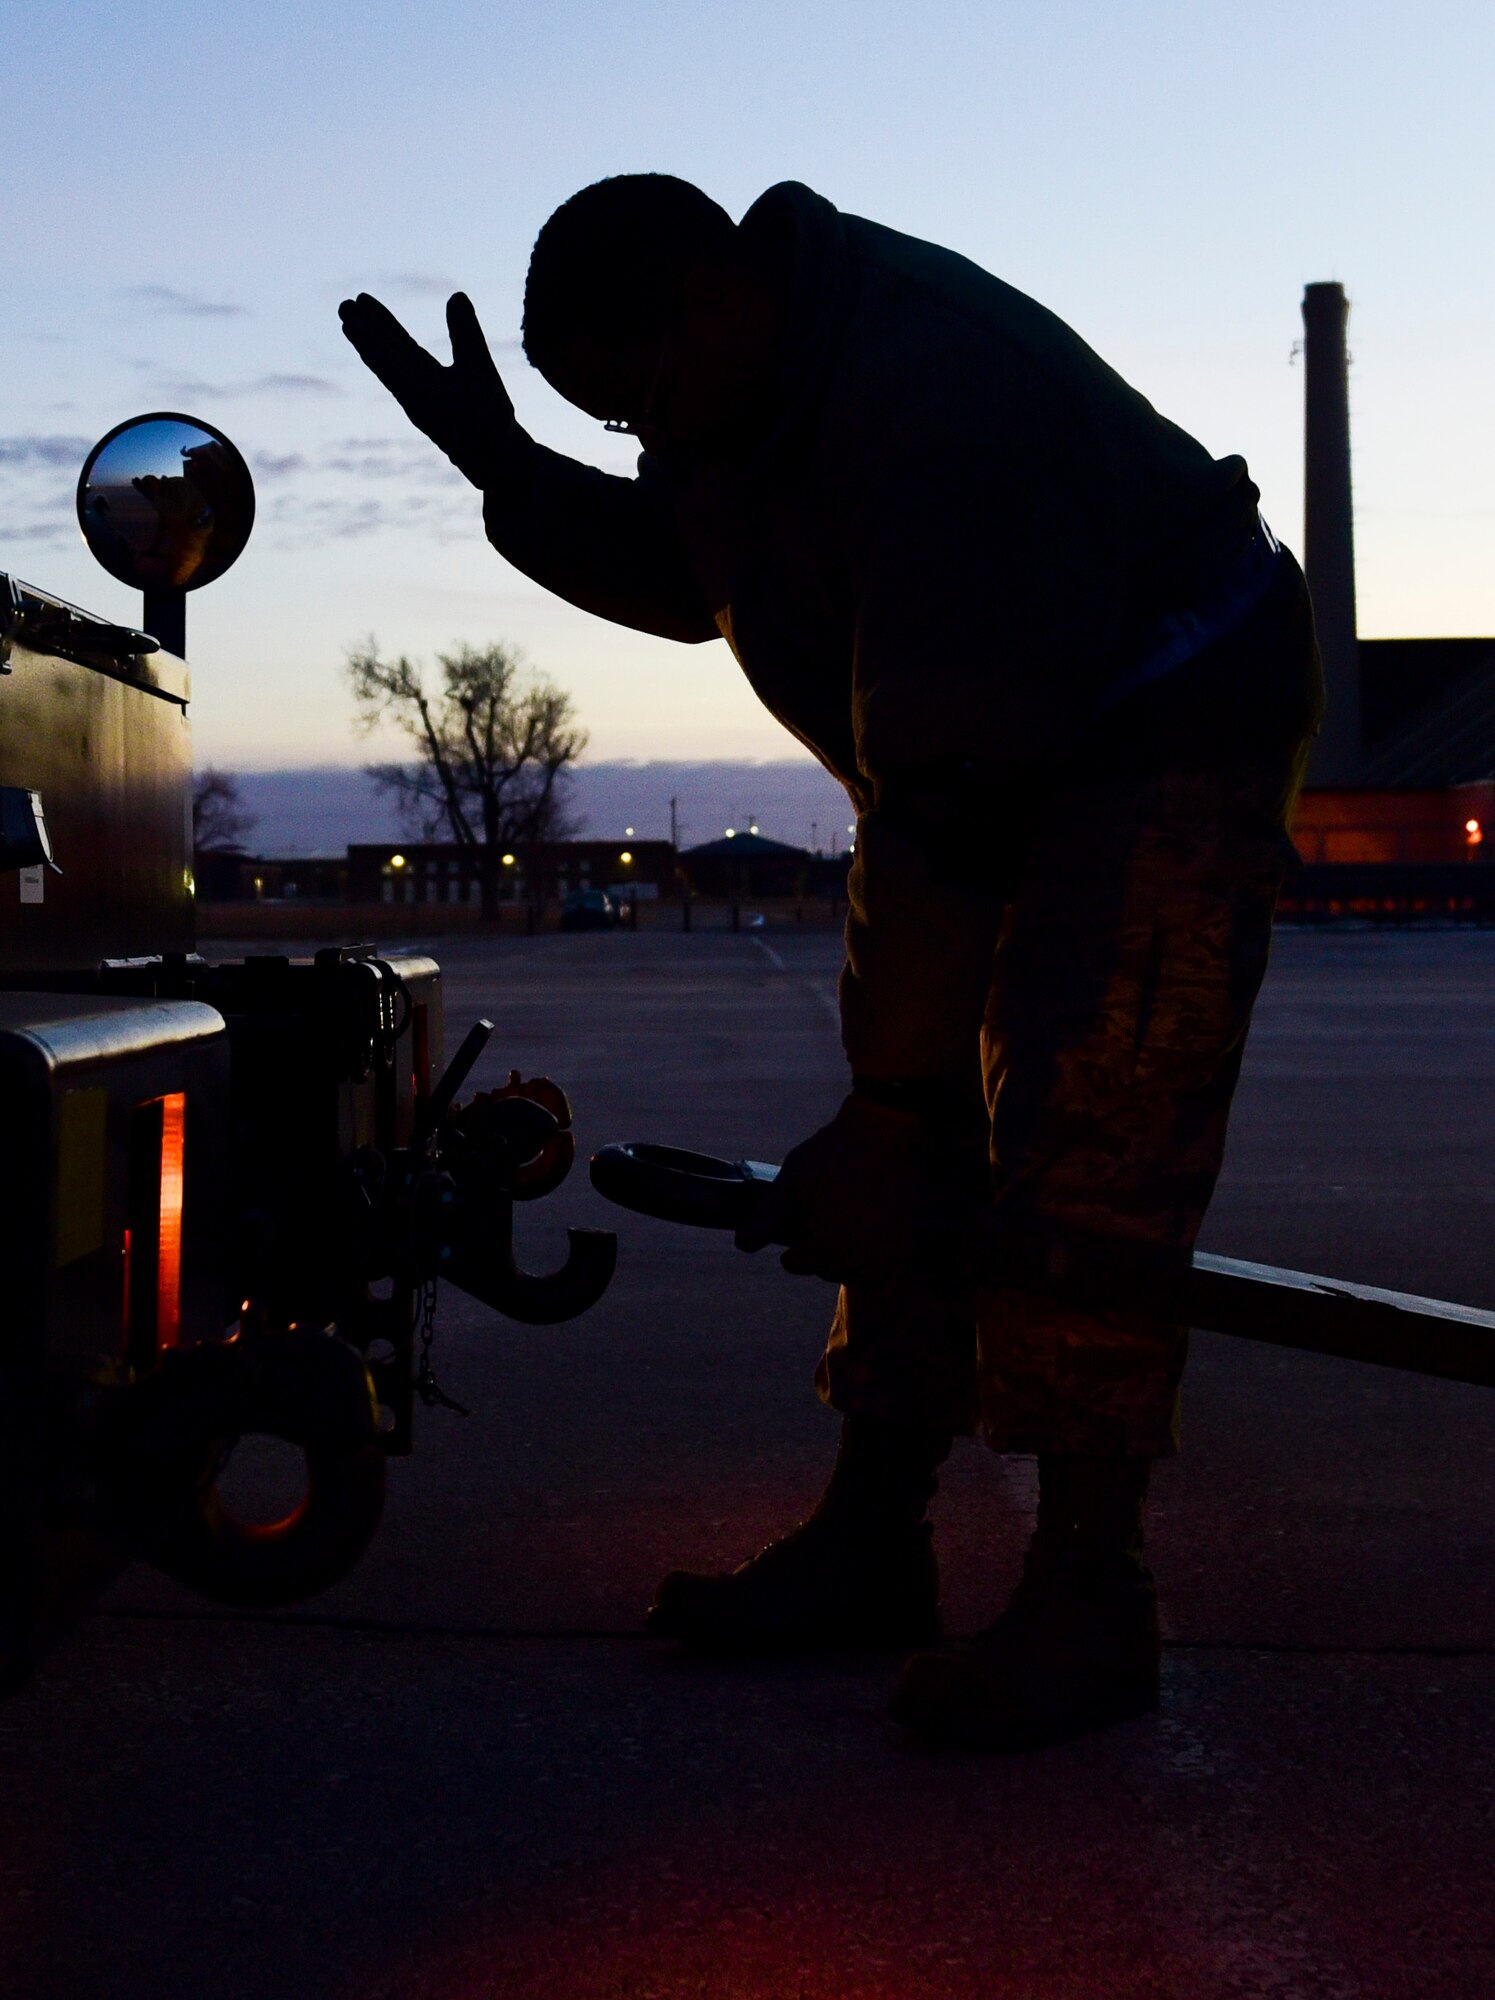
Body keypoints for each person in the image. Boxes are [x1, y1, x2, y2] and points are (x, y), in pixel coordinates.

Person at [340, 175, 1323, 1750]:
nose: (647, 448)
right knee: (920, 1131)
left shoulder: (933, 401)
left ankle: (1091, 1593)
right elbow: (688, 569)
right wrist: (514, 477)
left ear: (721, 293)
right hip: (992, 752)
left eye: (640, 403)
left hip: (1164, 732)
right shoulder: (742, 400)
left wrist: (889, 1108)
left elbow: (941, 803)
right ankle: (876, 1538)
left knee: (1086, 1136)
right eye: (608, 426)